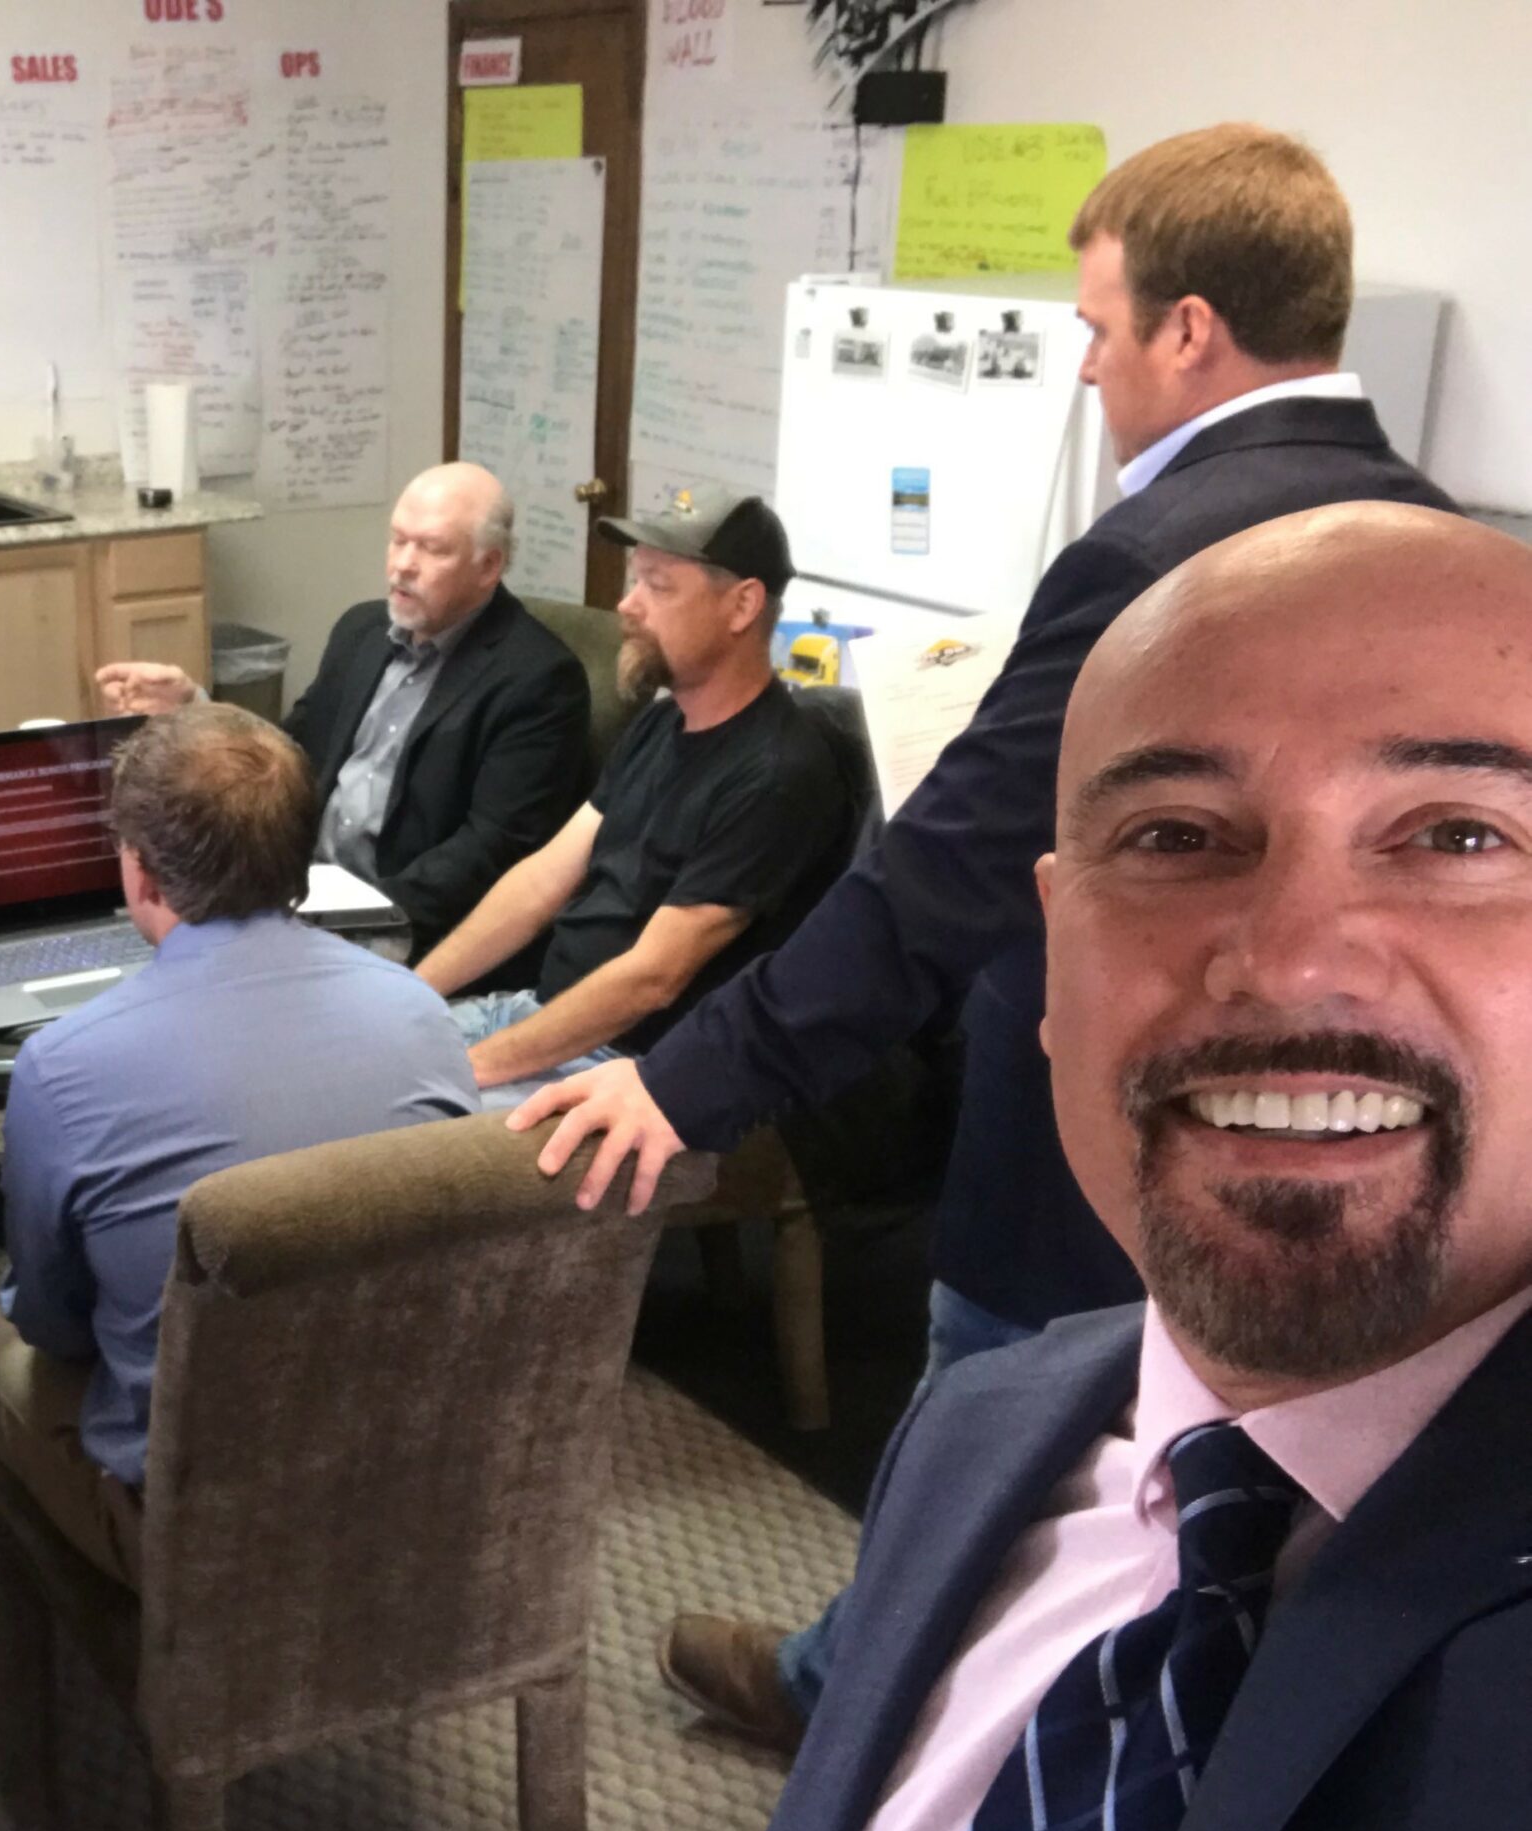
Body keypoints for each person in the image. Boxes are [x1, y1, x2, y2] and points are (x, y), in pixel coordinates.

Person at [507, 124, 1458, 1746]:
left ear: (1188, 329)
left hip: (1098, 1140)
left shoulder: (1149, 555)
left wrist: (684, 1081)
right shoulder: (1433, 536)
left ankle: (851, 1708)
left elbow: (937, 883)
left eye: (1095, 329)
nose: (1084, 369)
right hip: (1336, 1131)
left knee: (984, 1430)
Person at [739, 502, 1532, 1831]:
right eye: (1174, 835)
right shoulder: (980, 1430)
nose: (1288, 961)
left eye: (1459, 836)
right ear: (1053, 949)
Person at [0, 702, 477, 1583]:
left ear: (141, 871)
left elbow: (52, 1323)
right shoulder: (421, 1015)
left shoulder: (62, 1066)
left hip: (198, 1524)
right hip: (406, 1477)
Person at [417, 489, 852, 1109]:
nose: (627, 605)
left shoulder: (778, 773)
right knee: (345, 1060)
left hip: (626, 1070)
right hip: (538, 1017)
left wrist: (473, 1068)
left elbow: (652, 979)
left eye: (658, 586)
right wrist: (409, 992)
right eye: (634, 580)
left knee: (387, 1127)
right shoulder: (662, 722)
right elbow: (540, 883)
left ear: (742, 605)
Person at [96, 461, 591, 955]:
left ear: (489, 566)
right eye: (398, 540)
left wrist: (353, 918)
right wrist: (195, 707)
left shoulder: (539, 679)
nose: (403, 564)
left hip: (409, 927)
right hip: (298, 899)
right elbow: (288, 757)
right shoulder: (361, 632)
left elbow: (491, 851)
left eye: (432, 548)